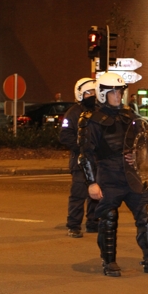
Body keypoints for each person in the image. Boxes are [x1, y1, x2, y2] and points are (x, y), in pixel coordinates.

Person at [78, 72, 148, 276]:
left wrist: (138, 157)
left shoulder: (130, 115)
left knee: (146, 214)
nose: (118, 96)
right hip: (108, 175)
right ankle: (109, 262)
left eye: (120, 91)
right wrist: (92, 183)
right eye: (113, 92)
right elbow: (85, 155)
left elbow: (142, 143)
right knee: (109, 216)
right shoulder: (91, 120)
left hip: (132, 174)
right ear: (102, 93)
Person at [59, 77, 99, 238]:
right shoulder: (73, 113)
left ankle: (93, 222)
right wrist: (82, 146)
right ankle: (74, 225)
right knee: (78, 193)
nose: (92, 95)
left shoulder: (99, 111)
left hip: (97, 160)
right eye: (89, 92)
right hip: (80, 161)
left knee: (96, 193)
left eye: (94, 92)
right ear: (80, 94)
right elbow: (64, 136)